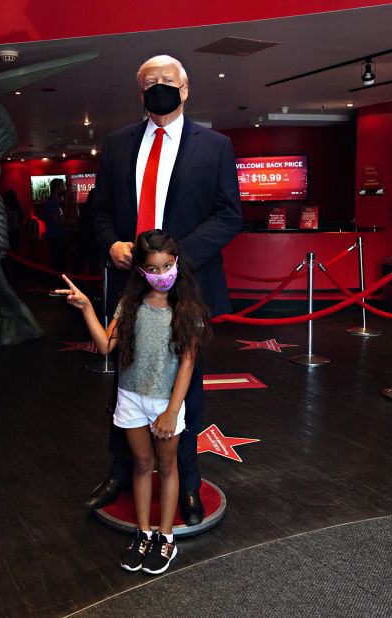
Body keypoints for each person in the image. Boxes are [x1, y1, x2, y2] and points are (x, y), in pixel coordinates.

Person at [89, 55, 242, 525]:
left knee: (186, 384)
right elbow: (98, 212)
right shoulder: (116, 145)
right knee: (125, 379)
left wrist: (173, 260)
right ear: (140, 93)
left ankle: (188, 482)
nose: (160, 88)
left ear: (186, 89)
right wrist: (111, 242)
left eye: (168, 82)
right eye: (151, 82)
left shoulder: (214, 146)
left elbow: (228, 215)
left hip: (187, 287)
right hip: (129, 286)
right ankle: (122, 471)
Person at [57, 230, 211, 574]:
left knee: (167, 467)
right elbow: (105, 346)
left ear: (177, 263)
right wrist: (85, 308)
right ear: (140, 271)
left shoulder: (188, 309)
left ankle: (165, 538)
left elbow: (187, 364)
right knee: (142, 466)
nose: (162, 275)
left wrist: (172, 411)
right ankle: (143, 534)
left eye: (168, 266)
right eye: (154, 269)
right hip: (130, 399)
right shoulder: (130, 305)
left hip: (165, 404)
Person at [43, 177, 68, 270]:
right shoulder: (52, 202)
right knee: (58, 262)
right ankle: (57, 282)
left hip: (56, 236)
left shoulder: (54, 201)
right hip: (55, 236)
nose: (64, 188)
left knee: (58, 260)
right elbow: (57, 220)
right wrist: (65, 222)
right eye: (62, 185)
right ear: (57, 187)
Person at [76, 187, 101, 275]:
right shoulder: (96, 208)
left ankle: (77, 283)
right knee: (93, 264)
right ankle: (92, 286)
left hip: (83, 238)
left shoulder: (85, 206)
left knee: (80, 263)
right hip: (93, 240)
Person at [3, 189, 23, 253]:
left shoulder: (8, 205)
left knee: (14, 245)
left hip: (12, 228)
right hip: (10, 228)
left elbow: (22, 214)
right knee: (13, 245)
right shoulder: (7, 205)